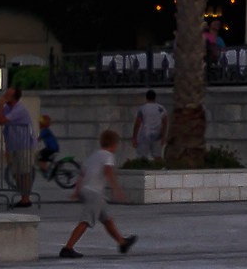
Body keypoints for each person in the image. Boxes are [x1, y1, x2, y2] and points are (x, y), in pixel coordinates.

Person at [59, 130, 135, 258]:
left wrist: (77, 191)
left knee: (106, 219)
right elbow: (108, 171)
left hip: (86, 190)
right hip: (94, 192)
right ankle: (68, 248)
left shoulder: (93, 155)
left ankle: (122, 243)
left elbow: (82, 174)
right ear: (115, 144)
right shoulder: (108, 155)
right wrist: (116, 189)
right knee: (86, 220)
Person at [0, 85, 36, 205]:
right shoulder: (8, 108)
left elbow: (1, 120)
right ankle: (23, 194)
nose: (4, 96)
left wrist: (0, 104)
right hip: (13, 144)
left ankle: (26, 198)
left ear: (12, 98)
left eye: (7, 95)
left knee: (24, 172)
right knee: (15, 172)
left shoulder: (19, 109)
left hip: (24, 144)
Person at [131, 91, 168, 162]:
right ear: (155, 97)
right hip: (157, 135)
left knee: (141, 157)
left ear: (146, 97)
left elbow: (137, 123)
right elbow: (165, 122)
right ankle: (160, 170)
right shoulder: (161, 108)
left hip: (145, 135)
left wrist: (134, 137)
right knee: (158, 156)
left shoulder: (142, 108)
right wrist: (163, 136)